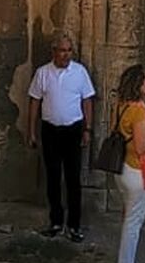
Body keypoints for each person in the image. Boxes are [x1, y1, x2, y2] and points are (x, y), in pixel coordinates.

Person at [25, 33, 96, 240]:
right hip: (50, 130)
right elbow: (34, 101)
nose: (66, 55)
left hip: (73, 130)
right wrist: (31, 131)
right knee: (53, 178)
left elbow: (88, 101)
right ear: (54, 52)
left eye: (68, 51)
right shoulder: (43, 73)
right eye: (62, 51)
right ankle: (56, 221)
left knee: (73, 179)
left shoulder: (80, 72)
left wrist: (87, 129)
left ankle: (74, 226)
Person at [113, 64, 145, 263]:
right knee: (133, 225)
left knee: (128, 219)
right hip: (137, 171)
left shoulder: (121, 105)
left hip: (122, 169)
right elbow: (141, 147)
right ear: (139, 84)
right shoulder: (139, 111)